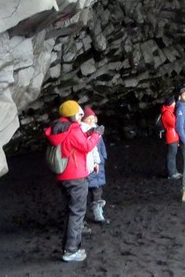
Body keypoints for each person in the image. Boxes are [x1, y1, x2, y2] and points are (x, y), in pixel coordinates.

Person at [45, 100, 103, 263]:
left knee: (70, 212)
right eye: (79, 114)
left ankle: (70, 247)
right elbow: (86, 146)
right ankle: (71, 251)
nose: (81, 117)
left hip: (63, 176)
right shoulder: (72, 129)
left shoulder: (58, 128)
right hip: (76, 176)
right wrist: (97, 134)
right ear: (72, 114)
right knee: (77, 213)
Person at [81, 108, 109, 224]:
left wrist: (102, 159)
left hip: (98, 167)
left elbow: (102, 147)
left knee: (97, 191)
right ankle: (81, 219)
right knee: (82, 194)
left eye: (93, 118)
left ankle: (98, 214)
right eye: (89, 119)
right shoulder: (83, 131)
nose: (92, 121)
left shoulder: (98, 133)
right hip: (86, 168)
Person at [161, 96, 180, 178]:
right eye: (174, 102)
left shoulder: (169, 112)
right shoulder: (166, 113)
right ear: (171, 103)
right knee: (171, 155)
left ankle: (174, 171)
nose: (175, 103)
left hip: (173, 136)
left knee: (173, 154)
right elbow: (173, 123)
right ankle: (171, 173)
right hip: (170, 136)